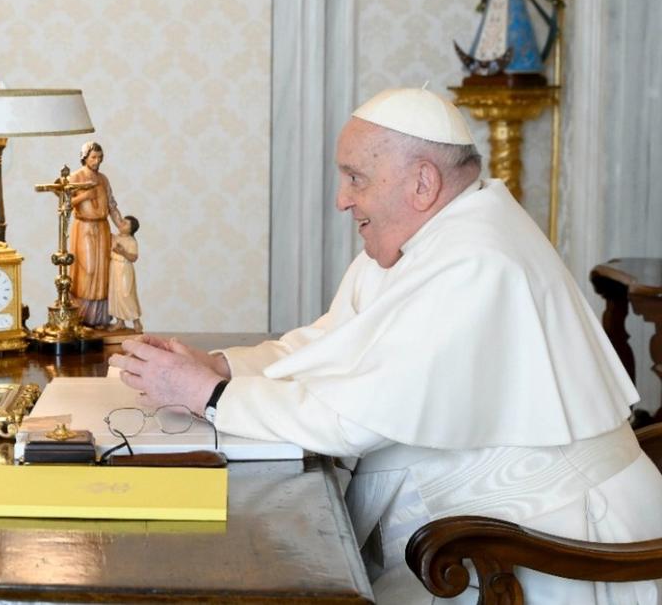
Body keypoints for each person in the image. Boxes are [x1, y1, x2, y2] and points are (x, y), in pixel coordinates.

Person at [110, 88, 662, 603]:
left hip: (552, 544)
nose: (341, 200)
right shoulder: (426, 239)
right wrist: (220, 364)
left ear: (422, 183)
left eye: (355, 178)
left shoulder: (476, 260)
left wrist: (210, 394)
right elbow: (329, 345)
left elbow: (355, 419)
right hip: (485, 528)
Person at [69, 141, 124, 327]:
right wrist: (85, 195)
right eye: (93, 157)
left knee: (103, 271)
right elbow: (65, 204)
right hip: (84, 227)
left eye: (100, 157)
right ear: (84, 157)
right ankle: (82, 316)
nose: (97, 161)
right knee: (88, 269)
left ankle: (99, 318)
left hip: (102, 228)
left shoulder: (103, 179)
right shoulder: (76, 177)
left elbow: (112, 205)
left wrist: (122, 226)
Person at [108, 214, 142, 332]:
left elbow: (133, 258)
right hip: (114, 267)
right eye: (122, 221)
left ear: (131, 229)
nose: (122, 223)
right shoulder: (115, 237)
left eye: (126, 223)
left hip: (125, 268)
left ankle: (136, 321)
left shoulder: (132, 241)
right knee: (115, 294)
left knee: (126, 294)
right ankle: (119, 322)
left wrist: (123, 252)